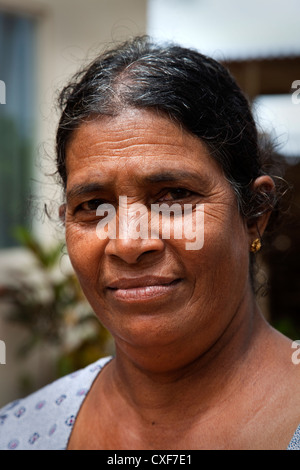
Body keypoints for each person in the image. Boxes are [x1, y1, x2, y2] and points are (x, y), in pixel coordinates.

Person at [0, 36, 299, 450]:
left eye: (174, 196)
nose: (128, 242)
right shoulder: (19, 433)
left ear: (254, 214)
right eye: (94, 205)